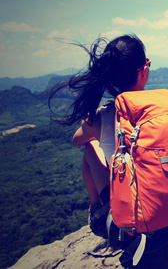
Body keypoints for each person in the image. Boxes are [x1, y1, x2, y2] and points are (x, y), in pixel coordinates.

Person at [48, 34, 150, 230]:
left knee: (90, 146)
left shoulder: (103, 115)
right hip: (161, 201)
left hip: (131, 208)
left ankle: (97, 209)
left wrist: (93, 120)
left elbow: (77, 139)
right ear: (143, 72)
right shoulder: (161, 109)